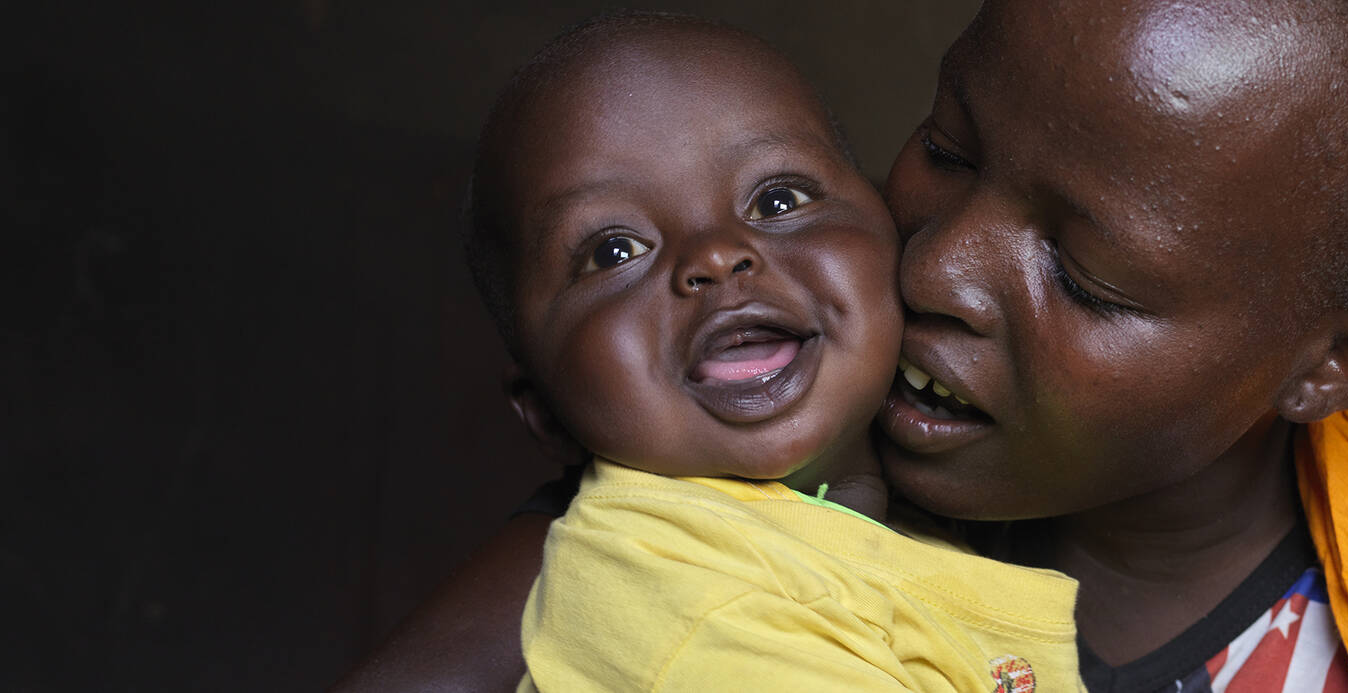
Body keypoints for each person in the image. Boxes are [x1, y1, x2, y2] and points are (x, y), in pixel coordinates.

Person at [334, 1, 1348, 691]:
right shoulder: (750, 472)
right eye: (948, 148)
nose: (938, 265)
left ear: (1344, 362)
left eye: (1083, 274)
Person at [453, 12, 1085, 692]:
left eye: (778, 198)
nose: (717, 255)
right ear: (545, 412)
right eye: (613, 251)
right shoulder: (687, 596)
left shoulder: (937, 513)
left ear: (891, 233)